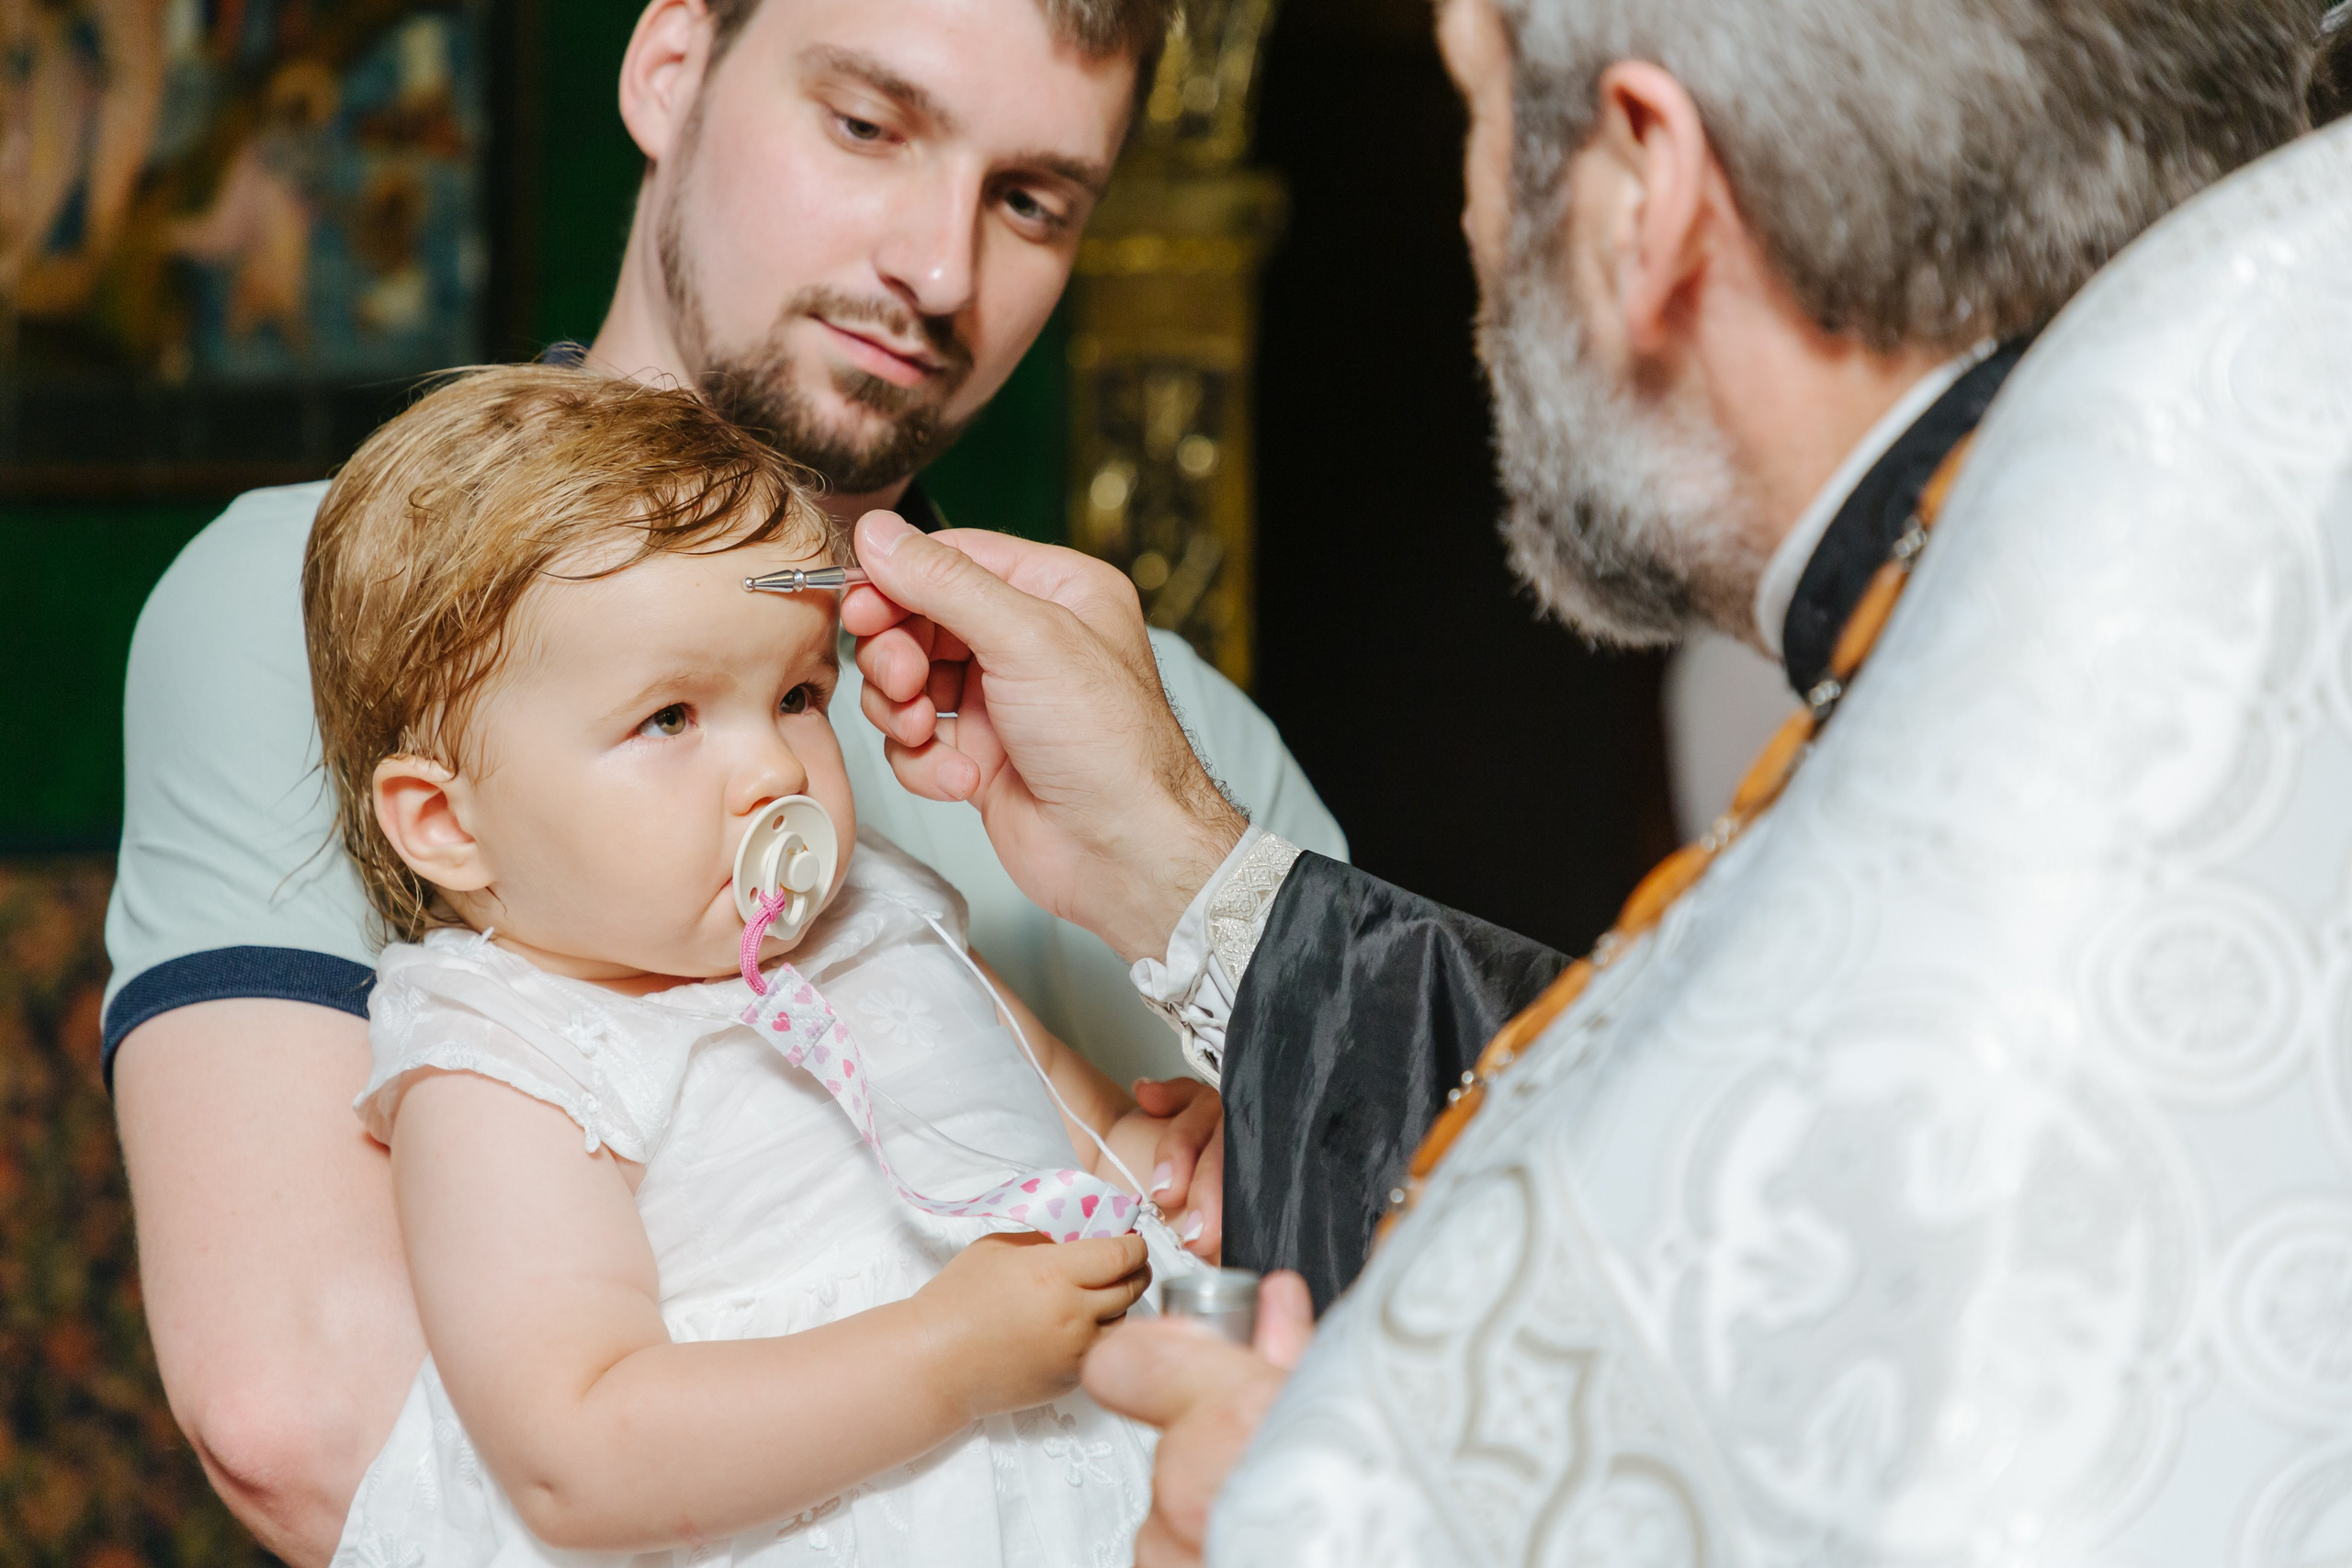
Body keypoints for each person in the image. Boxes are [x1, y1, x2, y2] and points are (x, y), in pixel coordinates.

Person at [834, 0, 2343, 1560]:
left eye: (1476, 121)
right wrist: (1181, 870)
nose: (1472, 233)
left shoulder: (2038, 723)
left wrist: (1316, 1520)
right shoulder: (2147, 601)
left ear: (1646, 189)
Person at [101, 2, 1341, 1562]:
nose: (939, 271)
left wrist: (1187, 914)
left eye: (1032, 200)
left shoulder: (1190, 735)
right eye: (867, 125)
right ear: (669, 66)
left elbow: (1411, 1339)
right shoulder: (313, 601)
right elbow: (301, 1420)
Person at [306, 363, 1215, 1565]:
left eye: (797, 694)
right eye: (670, 718)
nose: (779, 771)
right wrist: (943, 1358)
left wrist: (1180, 1165)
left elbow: (1080, 1134)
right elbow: (575, 1454)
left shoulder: (875, 912)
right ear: (446, 824)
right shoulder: (508, 1062)